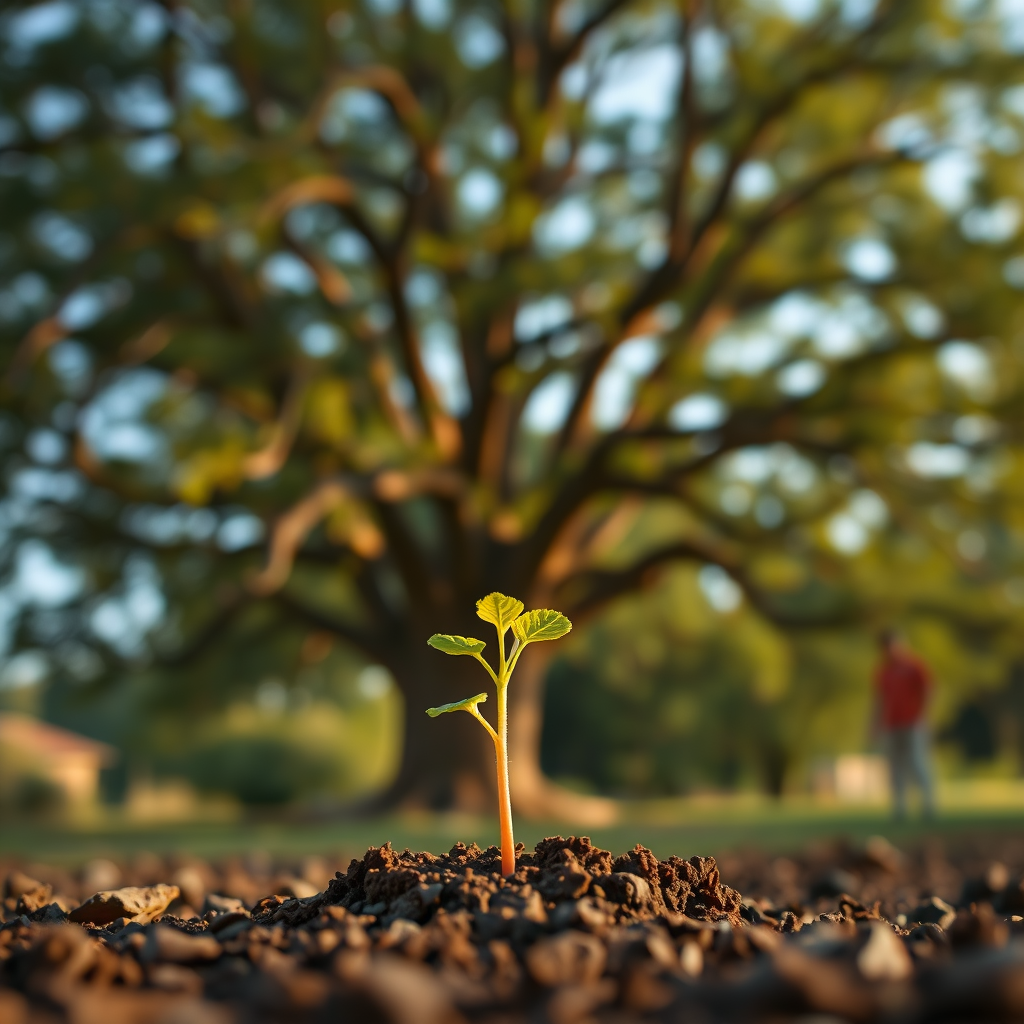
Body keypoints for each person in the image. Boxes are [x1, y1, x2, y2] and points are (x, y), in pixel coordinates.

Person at [872, 629, 935, 819]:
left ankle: (928, 805)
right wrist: (875, 724)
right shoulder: (883, 671)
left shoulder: (914, 666)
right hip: (891, 724)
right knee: (895, 767)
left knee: (917, 763)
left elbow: (928, 690)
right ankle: (900, 808)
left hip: (913, 722)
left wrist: (925, 716)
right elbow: (879, 700)